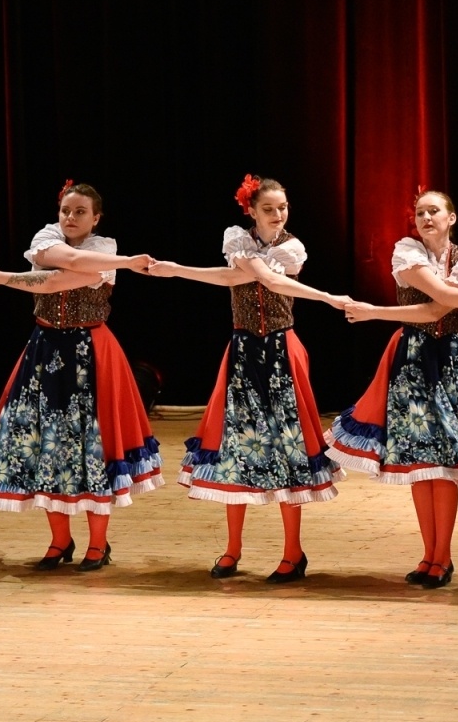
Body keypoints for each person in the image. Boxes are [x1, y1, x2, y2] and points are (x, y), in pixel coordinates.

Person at [146, 175, 350, 582]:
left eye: (283, 208)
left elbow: (266, 279)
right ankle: (232, 548)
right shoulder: (237, 239)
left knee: (288, 450)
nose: (278, 215)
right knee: (234, 448)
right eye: (270, 209)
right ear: (251, 210)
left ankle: (293, 552)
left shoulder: (291, 248)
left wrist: (328, 298)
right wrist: (174, 270)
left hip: (280, 351)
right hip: (243, 351)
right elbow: (234, 277)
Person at [326, 189, 458, 588]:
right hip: (414, 359)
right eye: (420, 212)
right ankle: (428, 555)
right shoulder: (406, 251)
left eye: (434, 211)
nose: (426, 218)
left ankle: (443, 556)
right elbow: (439, 299)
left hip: (453, 359)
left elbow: (443, 307)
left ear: (451, 218)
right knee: (421, 465)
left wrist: (375, 313)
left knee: (446, 465)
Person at [0, 183, 161, 573]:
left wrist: (4, 278)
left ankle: (98, 544)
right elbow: (59, 261)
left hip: (90, 351)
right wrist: (81, 263)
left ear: (96, 218)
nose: (70, 218)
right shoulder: (46, 238)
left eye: (80, 212)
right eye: (66, 210)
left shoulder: (105, 249)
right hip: (45, 350)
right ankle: (60, 540)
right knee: (46, 444)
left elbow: (56, 280)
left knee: (94, 446)